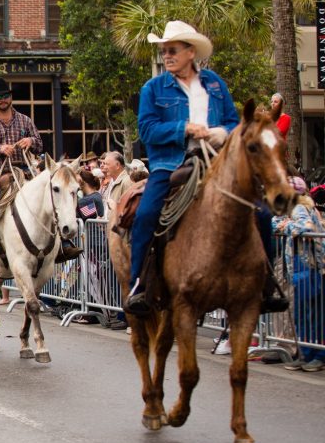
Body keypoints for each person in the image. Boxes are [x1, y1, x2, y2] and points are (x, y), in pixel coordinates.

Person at [123, 20, 284, 316]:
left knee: (261, 213)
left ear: (190, 52)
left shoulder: (214, 84)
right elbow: (146, 130)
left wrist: (222, 132)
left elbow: (234, 122)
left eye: (172, 50)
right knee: (146, 215)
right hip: (170, 164)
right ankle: (139, 285)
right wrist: (183, 128)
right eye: (164, 50)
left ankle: (267, 283)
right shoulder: (153, 89)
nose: (166, 55)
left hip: (216, 160)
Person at [0, 78, 78, 268]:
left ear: (10, 97)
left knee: (52, 195)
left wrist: (30, 142)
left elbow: (39, 143)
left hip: (24, 169)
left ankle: (63, 243)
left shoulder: (24, 120)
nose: (2, 100)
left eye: (5, 96)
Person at [274, 178, 325, 371]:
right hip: (300, 266)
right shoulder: (293, 208)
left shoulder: (299, 209)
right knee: (302, 312)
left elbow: (303, 227)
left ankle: (317, 355)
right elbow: (274, 223)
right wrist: (283, 225)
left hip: (309, 265)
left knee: (312, 312)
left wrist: (285, 226)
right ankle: (306, 353)